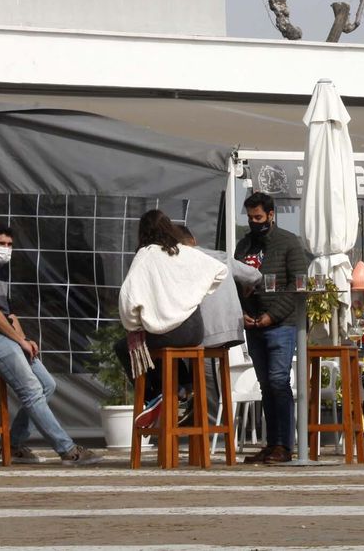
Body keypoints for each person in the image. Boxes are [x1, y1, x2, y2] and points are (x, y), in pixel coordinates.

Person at [0, 222, 97, 464]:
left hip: (4, 335)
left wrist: (26, 340)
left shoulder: (0, 270)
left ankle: (14, 445)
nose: (6, 248)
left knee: (47, 384)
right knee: (31, 389)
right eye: (1, 243)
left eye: (10, 244)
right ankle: (68, 450)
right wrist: (19, 340)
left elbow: (9, 314)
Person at [114, 211, 227, 431]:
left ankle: (154, 397)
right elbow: (220, 270)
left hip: (167, 333)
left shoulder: (146, 255)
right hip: (194, 330)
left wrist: (133, 325)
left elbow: (127, 298)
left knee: (126, 347)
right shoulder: (184, 252)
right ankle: (183, 388)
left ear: (142, 232)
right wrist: (195, 294)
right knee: (164, 348)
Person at [233, 192, 309, 465]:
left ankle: (284, 445)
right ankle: (272, 443)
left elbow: (297, 284)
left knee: (278, 381)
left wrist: (272, 315)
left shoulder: (288, 242)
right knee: (266, 384)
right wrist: (242, 312)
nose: (254, 222)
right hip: (252, 322)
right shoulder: (244, 245)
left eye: (258, 217)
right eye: (250, 217)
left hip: (281, 324)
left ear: (271, 215)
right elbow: (234, 279)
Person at [175, 222, 260, 416]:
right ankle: (202, 416)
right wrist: (246, 286)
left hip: (207, 332)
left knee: (208, 386)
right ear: (193, 240)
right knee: (208, 382)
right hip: (231, 328)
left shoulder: (179, 263)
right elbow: (255, 275)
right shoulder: (219, 256)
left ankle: (208, 423)